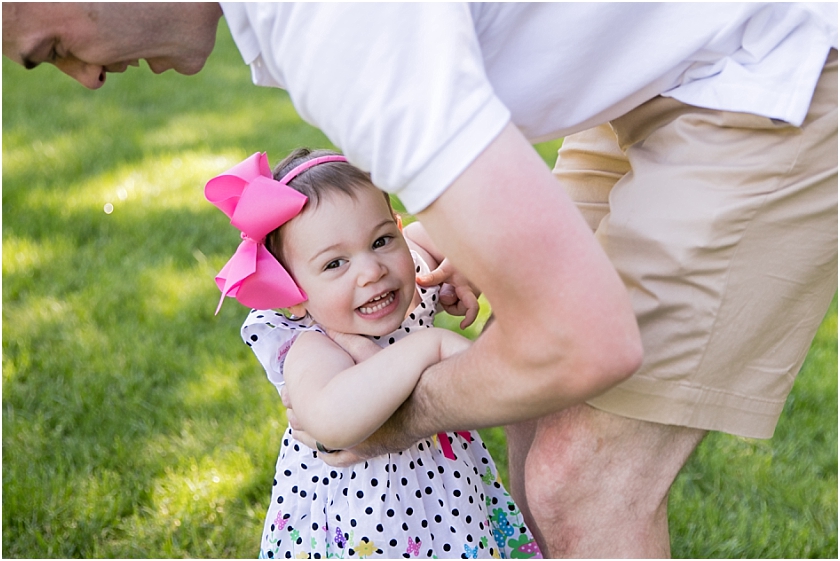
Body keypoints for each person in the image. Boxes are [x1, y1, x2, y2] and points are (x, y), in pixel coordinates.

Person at [4, 3, 837, 557]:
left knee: (580, 481)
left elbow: (585, 341)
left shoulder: (331, 23)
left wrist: (409, 411)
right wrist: (460, 224)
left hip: (769, 66)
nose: (81, 75)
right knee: (533, 423)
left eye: (47, 46)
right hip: (652, 74)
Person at [206, 148, 541, 559]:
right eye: (335, 264)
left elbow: (465, 227)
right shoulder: (313, 343)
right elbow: (331, 421)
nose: (372, 270)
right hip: (367, 533)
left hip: (453, 512)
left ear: (399, 229)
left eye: (381, 240)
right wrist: (427, 346)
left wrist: (466, 266)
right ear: (291, 292)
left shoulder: (411, 274)